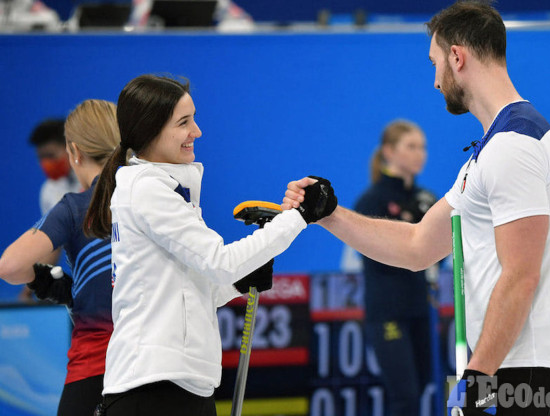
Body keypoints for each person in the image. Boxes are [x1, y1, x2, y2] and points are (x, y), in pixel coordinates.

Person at [283, 2, 550, 414]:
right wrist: (330, 214)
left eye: (434, 63)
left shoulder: (514, 146)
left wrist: (477, 381)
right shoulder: (493, 149)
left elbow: (520, 276)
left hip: (534, 370)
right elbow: (416, 246)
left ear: (457, 56)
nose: (434, 81)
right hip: (519, 368)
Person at [84, 74, 334, 416]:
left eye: (194, 118)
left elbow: (186, 286)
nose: (196, 132)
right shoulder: (148, 190)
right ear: (150, 129)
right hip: (155, 387)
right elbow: (220, 261)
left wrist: (237, 282)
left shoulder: (164, 188)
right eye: (184, 122)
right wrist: (299, 217)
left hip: (176, 382)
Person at [0, 99, 120, 416]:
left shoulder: (73, 205)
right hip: (162, 365)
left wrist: (44, 283)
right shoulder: (161, 192)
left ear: (74, 152)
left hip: (98, 359)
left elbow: (11, 265)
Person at [355, 120, 436, 416]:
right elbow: (378, 256)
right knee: (406, 397)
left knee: (425, 383)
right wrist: (413, 240)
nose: (420, 154)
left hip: (419, 309)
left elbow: (440, 253)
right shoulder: (371, 201)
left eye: (423, 147)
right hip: (387, 311)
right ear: (388, 151)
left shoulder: (427, 200)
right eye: (411, 147)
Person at [28, 118, 83, 215]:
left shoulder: (92, 179)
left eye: (50, 155)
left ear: (70, 149)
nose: (46, 163)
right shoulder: (48, 191)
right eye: (41, 157)